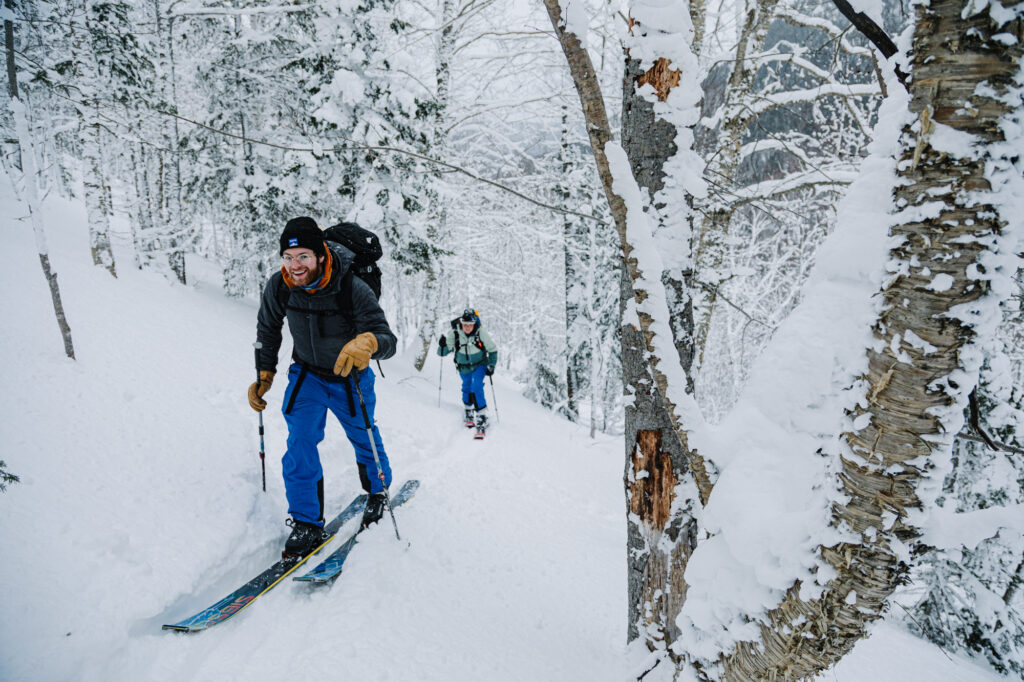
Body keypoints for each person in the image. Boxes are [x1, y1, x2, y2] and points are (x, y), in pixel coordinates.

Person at [248, 216, 397, 560]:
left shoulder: (350, 286)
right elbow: (267, 328)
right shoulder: (281, 285)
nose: (294, 265)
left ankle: (378, 491)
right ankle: (306, 523)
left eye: (302, 257)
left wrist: (369, 342)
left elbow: (387, 338)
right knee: (299, 443)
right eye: (288, 257)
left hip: (350, 378)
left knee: (364, 437)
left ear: (318, 255)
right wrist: (265, 373)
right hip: (307, 375)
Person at [437, 309, 498, 433]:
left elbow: (492, 350)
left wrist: (491, 365)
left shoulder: (481, 333)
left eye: (470, 325)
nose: (467, 327)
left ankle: (481, 415)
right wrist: (442, 345)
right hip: (463, 367)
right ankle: (468, 409)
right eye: (465, 324)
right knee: (466, 387)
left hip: (479, 365)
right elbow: (442, 353)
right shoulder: (454, 334)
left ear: (474, 324)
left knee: (477, 386)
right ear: (461, 323)